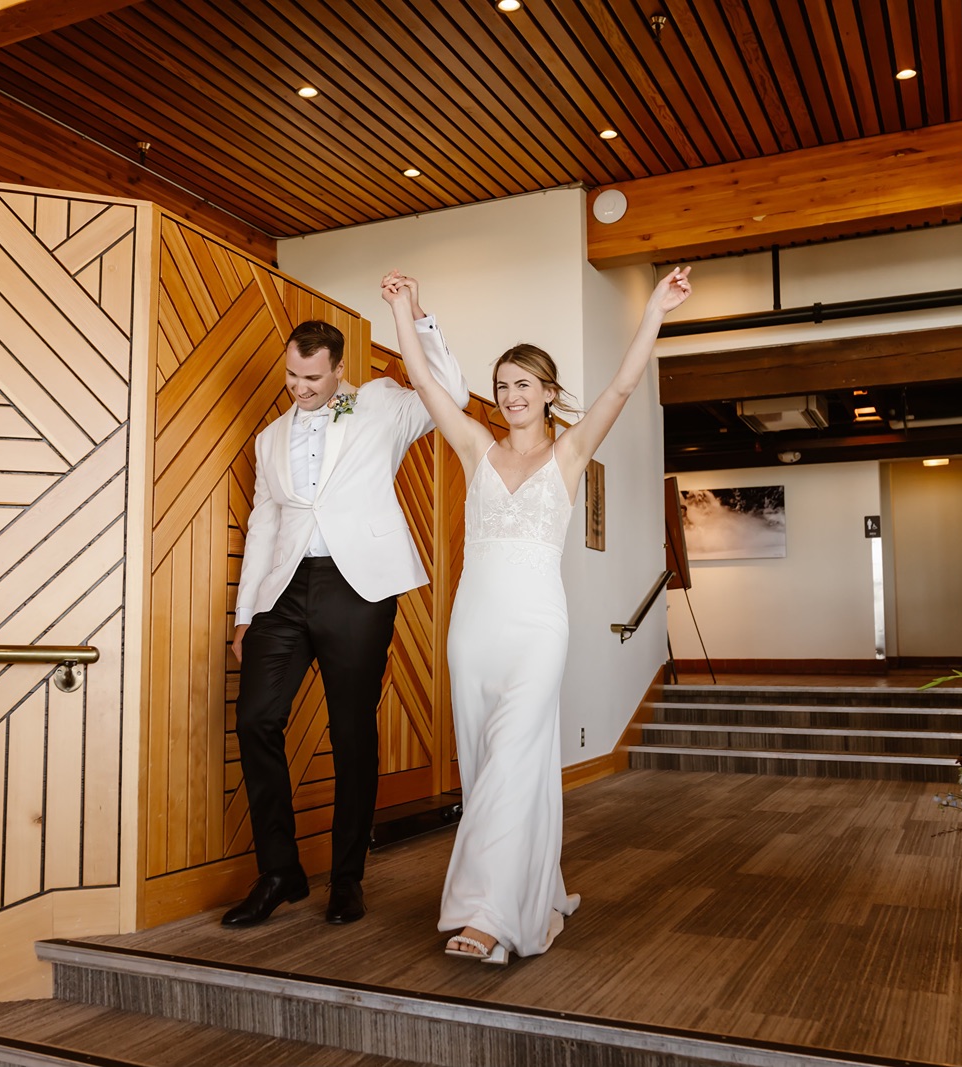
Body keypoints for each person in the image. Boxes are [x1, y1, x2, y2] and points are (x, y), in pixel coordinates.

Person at [381, 266, 692, 964]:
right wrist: (406, 309)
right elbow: (428, 386)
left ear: (549, 393)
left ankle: (487, 914)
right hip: (474, 628)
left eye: (524, 383)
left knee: (514, 762)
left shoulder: (570, 451)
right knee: (490, 762)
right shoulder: (475, 449)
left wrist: (655, 311)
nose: (510, 395)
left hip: (538, 627)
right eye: (501, 386)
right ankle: (536, 895)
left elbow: (620, 387)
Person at [224, 274, 470, 928]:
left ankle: (347, 876)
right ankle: (279, 871)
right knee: (255, 720)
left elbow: (450, 389)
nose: (299, 389)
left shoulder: (384, 404)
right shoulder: (270, 438)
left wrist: (410, 312)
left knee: (352, 732)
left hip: (358, 587)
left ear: (339, 371)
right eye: (291, 377)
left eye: (311, 379)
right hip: (283, 590)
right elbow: (263, 525)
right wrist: (246, 613)